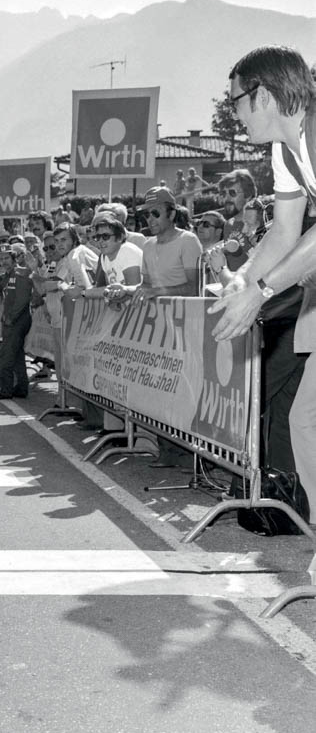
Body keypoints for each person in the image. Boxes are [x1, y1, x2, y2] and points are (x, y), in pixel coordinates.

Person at [210, 45, 316, 517]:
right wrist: (242, 281)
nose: (234, 116)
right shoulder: (284, 148)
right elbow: (285, 230)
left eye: (235, 102)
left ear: (264, 95)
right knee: (307, 421)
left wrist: (262, 291)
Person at [134, 186, 202, 467]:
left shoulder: (189, 241)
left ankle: (189, 455)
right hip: (157, 331)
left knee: (184, 391)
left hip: (185, 329)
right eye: (146, 215)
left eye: (155, 213)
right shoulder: (147, 246)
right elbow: (146, 286)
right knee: (160, 390)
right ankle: (167, 450)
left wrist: (156, 291)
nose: (149, 220)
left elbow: (194, 287)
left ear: (172, 213)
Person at [0, 239, 36, 400]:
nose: (3, 261)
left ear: (14, 258)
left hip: (17, 320)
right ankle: (21, 388)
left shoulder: (20, 273)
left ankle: (6, 389)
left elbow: (22, 299)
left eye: (6, 258)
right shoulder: (8, 275)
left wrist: (10, 318)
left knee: (6, 355)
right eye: (1, 259)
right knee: (16, 355)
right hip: (13, 319)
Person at [84, 213, 143, 302]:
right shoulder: (104, 257)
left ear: (120, 237)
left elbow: (133, 291)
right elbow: (110, 290)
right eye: (98, 237)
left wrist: (112, 301)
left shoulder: (127, 251)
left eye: (105, 236)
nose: (100, 241)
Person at [217, 169, 257, 240]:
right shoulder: (228, 225)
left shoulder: (259, 222)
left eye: (232, 193)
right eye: (223, 193)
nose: (227, 198)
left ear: (248, 195)